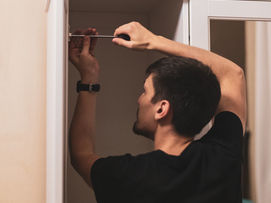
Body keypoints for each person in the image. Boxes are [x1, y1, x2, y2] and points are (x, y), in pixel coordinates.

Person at [68, 21, 247, 203]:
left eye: (145, 91)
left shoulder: (130, 176)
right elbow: (232, 74)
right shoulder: (222, 159)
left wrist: (88, 77)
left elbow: (80, 153)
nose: (139, 99)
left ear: (162, 108)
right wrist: (152, 41)